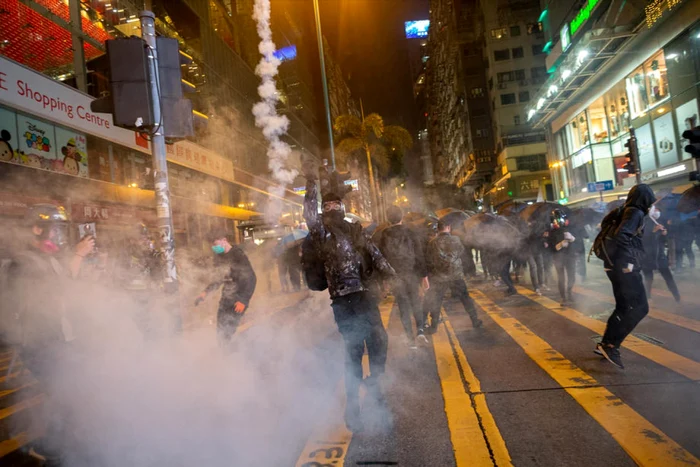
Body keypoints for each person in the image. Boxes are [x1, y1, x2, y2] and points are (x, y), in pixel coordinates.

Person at [302, 168, 395, 432]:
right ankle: (352, 407)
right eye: (328, 205)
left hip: (365, 296)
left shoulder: (356, 231)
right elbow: (309, 214)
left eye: (336, 204)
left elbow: (376, 255)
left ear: (343, 207)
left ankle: (376, 390)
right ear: (324, 210)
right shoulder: (322, 234)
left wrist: (394, 277)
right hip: (343, 301)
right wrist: (311, 183)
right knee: (353, 352)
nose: (333, 208)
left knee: (379, 342)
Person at [11, 204, 95, 465]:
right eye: (55, 229)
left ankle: (59, 443)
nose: (60, 235)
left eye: (62, 229)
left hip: (61, 340)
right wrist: (78, 256)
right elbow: (51, 293)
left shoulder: (51, 259)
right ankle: (53, 448)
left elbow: (69, 286)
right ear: (37, 229)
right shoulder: (24, 262)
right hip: (41, 343)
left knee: (69, 394)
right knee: (65, 394)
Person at [596, 184, 656, 369]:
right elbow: (622, 235)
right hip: (625, 268)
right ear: (645, 199)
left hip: (614, 266)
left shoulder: (624, 210)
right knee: (640, 307)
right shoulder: (635, 212)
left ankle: (605, 343)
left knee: (623, 307)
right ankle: (612, 345)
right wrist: (628, 263)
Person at [378, 205, 429, 348]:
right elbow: (419, 255)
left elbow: (382, 259)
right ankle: (420, 331)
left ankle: (410, 339)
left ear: (388, 219)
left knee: (403, 306)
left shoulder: (384, 235)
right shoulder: (411, 231)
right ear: (402, 217)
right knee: (416, 302)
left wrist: (385, 280)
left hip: (395, 276)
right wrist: (424, 277)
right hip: (412, 273)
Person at [194, 230, 257, 345]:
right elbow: (218, 278)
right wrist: (205, 292)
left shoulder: (238, 255)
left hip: (239, 299)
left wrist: (243, 300)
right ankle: (225, 355)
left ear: (224, 240)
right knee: (220, 331)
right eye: (212, 246)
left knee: (228, 331)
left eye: (215, 244)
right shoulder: (219, 257)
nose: (214, 248)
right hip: (226, 298)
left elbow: (251, 278)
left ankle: (235, 354)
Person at [425, 221, 483, 333]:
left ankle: (434, 326)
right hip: (456, 275)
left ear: (438, 228)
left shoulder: (433, 242)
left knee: (436, 301)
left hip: (439, 276)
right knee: (465, 298)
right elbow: (462, 254)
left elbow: (429, 260)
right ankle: (475, 320)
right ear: (448, 227)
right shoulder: (456, 240)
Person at [641, 205, 680, 302]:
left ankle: (677, 296)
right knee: (648, 278)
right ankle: (647, 296)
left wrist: (664, 234)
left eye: (658, 210)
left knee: (668, 276)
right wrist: (654, 231)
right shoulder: (644, 222)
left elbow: (663, 241)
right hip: (647, 256)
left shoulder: (660, 221)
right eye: (655, 210)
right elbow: (643, 240)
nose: (657, 212)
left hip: (660, 255)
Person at [544, 209, 577, 306]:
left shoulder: (569, 228)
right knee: (561, 278)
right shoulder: (551, 232)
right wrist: (560, 245)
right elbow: (550, 247)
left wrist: (572, 239)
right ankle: (563, 297)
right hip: (558, 257)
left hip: (570, 256)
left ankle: (570, 292)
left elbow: (577, 242)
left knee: (572, 276)